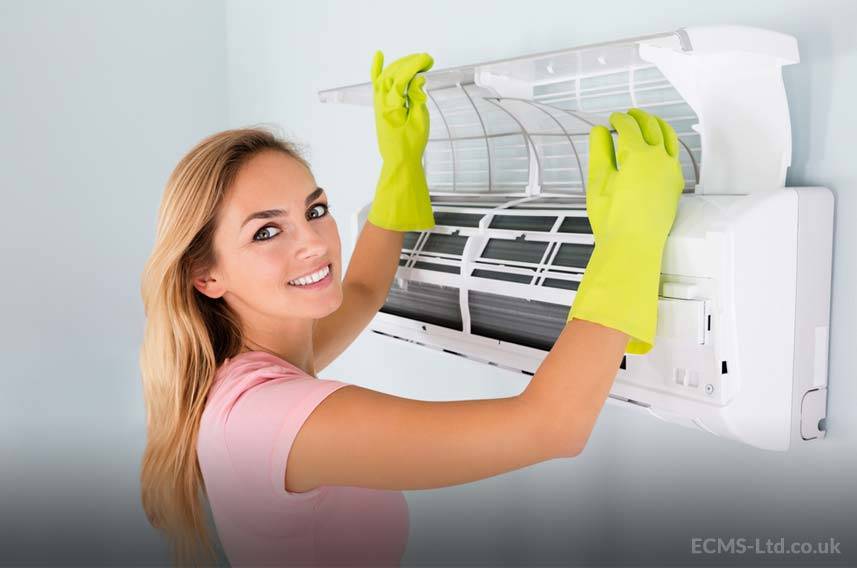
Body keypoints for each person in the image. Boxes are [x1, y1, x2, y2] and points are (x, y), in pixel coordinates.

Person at [138, 50, 684, 567]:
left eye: (316, 209)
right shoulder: (266, 413)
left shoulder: (245, 367)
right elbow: (549, 427)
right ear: (205, 275)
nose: (315, 243)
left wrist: (401, 164)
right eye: (267, 231)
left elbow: (363, 291)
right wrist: (630, 240)